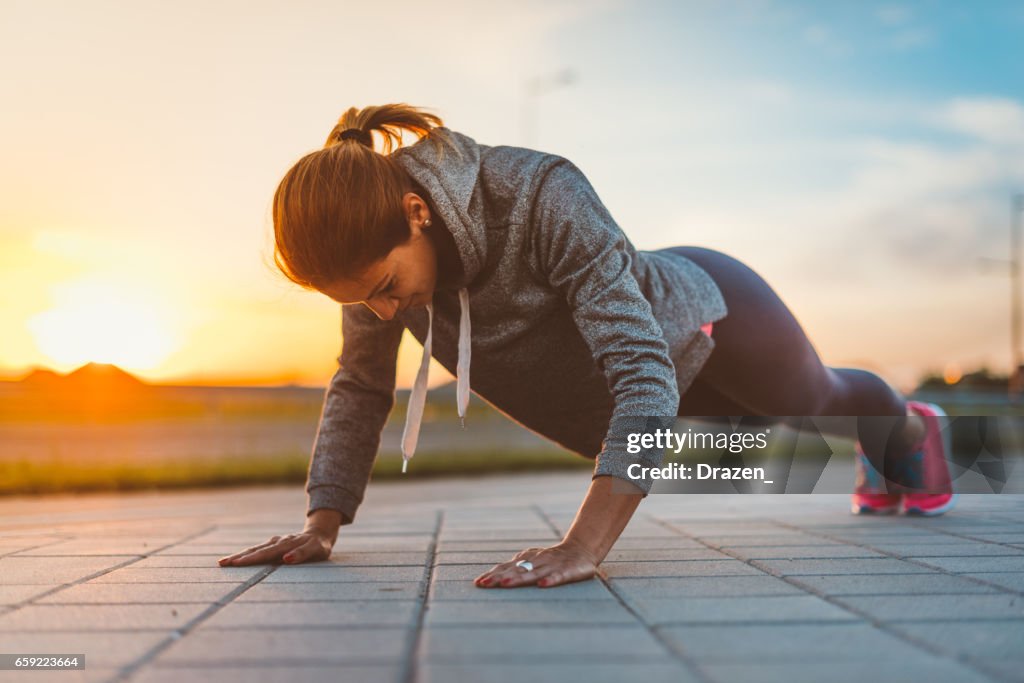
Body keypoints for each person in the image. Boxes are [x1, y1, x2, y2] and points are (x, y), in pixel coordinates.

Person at [218, 104, 956, 588]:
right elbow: (359, 387)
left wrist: (585, 545)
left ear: (416, 213)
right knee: (748, 434)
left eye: (385, 286)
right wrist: (322, 523)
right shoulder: (379, 271)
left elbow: (643, 372)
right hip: (636, 383)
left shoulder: (539, 194)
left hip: (712, 319)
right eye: (362, 302)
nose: (381, 312)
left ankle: (916, 430)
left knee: (814, 402)